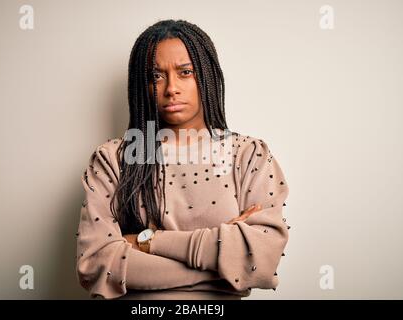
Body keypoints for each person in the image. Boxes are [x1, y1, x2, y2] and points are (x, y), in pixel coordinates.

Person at [76, 19, 290, 300]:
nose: (171, 88)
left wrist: (148, 242)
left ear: (206, 75)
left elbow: (262, 259)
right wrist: (226, 265)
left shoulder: (249, 155)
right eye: (156, 76)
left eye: (185, 72)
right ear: (143, 84)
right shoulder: (113, 159)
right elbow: (96, 265)